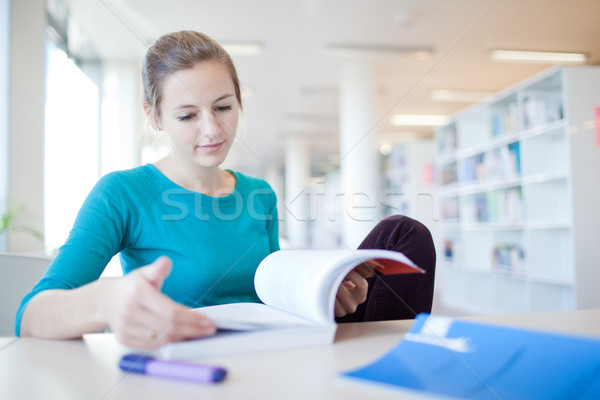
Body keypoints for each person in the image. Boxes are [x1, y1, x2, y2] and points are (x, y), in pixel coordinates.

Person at [17, 31, 435, 349]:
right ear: (155, 116)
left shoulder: (259, 193)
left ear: (239, 101)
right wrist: (106, 301)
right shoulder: (121, 194)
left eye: (223, 107)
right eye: (187, 115)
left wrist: (326, 295)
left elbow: (271, 293)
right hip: (198, 361)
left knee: (405, 234)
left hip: (277, 348)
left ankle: (392, 368)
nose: (212, 129)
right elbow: (30, 316)